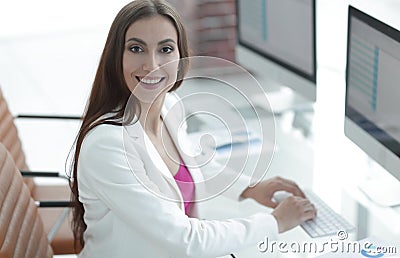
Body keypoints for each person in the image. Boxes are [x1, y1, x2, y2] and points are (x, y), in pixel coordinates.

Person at [70, 0, 316, 257]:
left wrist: (251, 188)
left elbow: (190, 167)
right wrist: (275, 222)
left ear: (181, 56)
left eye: (165, 49)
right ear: (115, 56)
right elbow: (185, 239)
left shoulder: (169, 107)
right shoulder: (106, 146)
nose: (152, 65)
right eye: (136, 48)